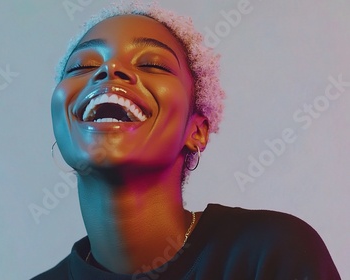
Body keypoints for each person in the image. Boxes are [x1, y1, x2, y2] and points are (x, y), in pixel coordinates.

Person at [33, 2, 340, 279]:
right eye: (82, 66)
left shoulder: (273, 254)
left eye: (152, 64)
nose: (109, 69)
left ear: (197, 130)